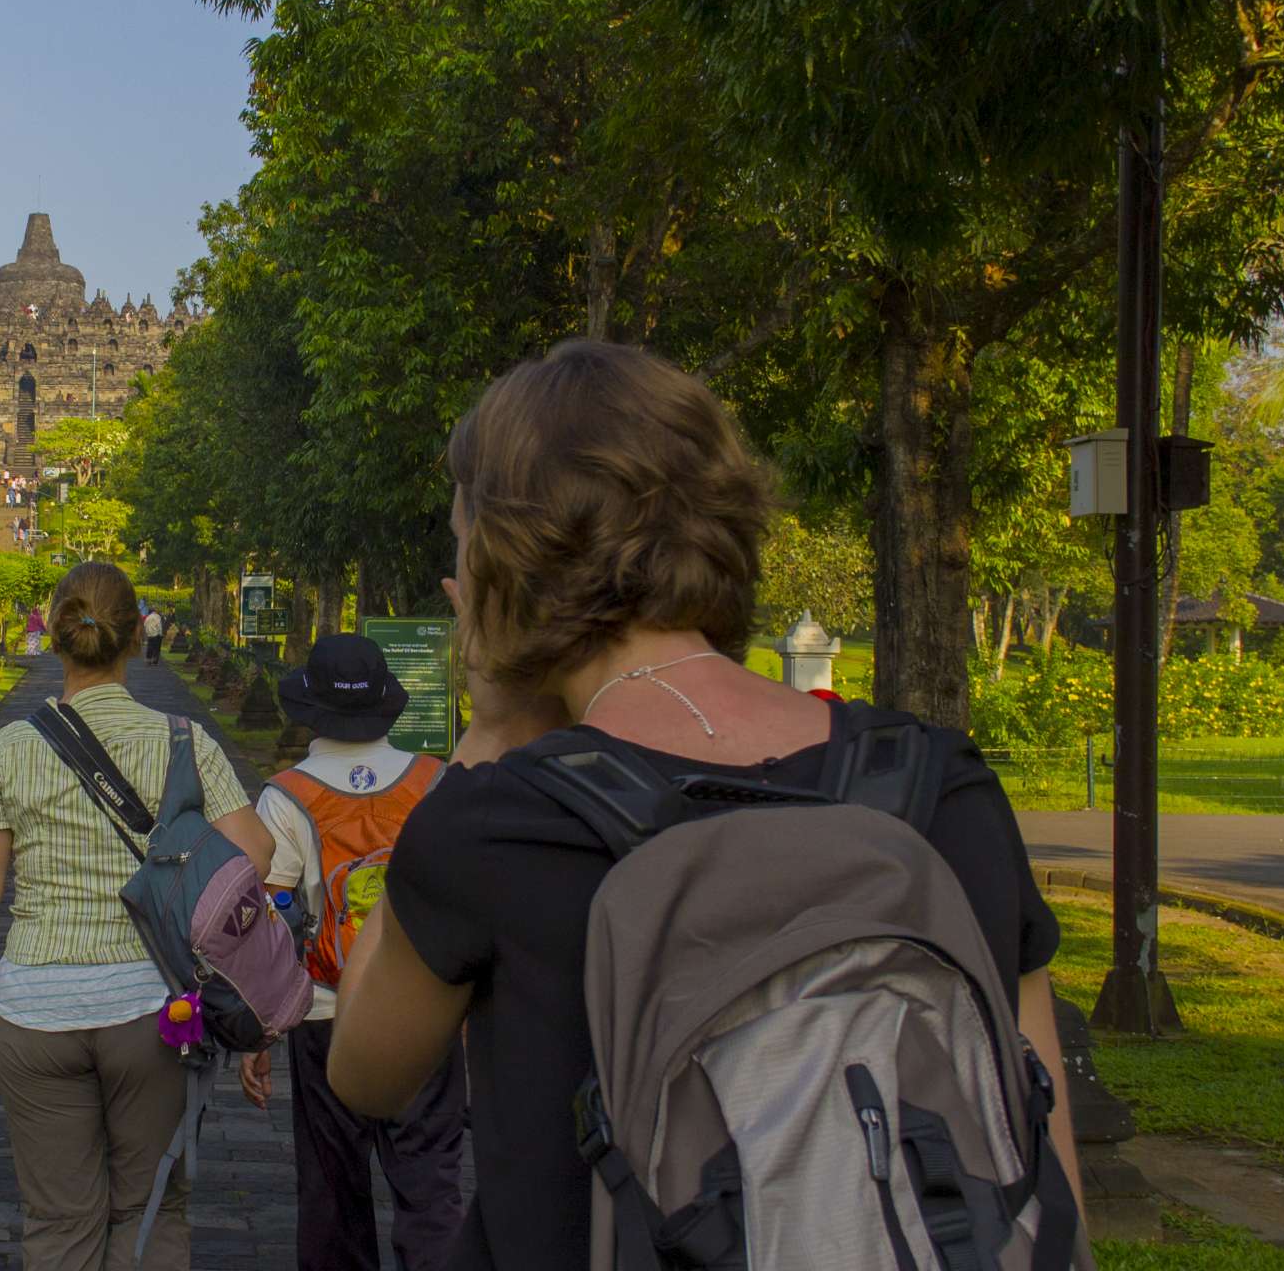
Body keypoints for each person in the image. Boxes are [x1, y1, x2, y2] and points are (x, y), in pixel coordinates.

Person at [322, 339, 1079, 1267]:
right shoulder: (941, 788)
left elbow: (364, 1074)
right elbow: (1046, 1181)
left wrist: (485, 736)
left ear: (499, 565)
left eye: (462, 540)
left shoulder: (499, 825)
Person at [0, 561, 273, 1270]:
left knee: (59, 1221)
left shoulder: (11, 748)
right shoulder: (184, 742)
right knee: (150, 1209)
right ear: (132, 641)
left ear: (56, 639)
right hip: (152, 1008)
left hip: (34, 1004)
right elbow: (257, 854)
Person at [244, 634, 466, 1271]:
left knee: (332, 1192)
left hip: (326, 1012)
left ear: (310, 708)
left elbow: (272, 921)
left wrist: (261, 1029)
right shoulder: (433, 780)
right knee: (431, 1187)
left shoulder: (286, 795)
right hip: (424, 1007)